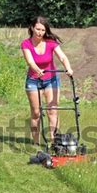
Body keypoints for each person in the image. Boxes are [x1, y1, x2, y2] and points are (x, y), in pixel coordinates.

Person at [21, 16, 73, 146]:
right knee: (36, 113)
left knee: (53, 111)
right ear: (32, 28)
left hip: (51, 80)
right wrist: (37, 70)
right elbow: (30, 61)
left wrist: (68, 68)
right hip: (34, 81)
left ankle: (55, 142)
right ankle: (36, 143)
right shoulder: (26, 44)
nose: (40, 32)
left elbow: (62, 57)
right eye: (38, 29)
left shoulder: (50, 42)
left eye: (43, 30)